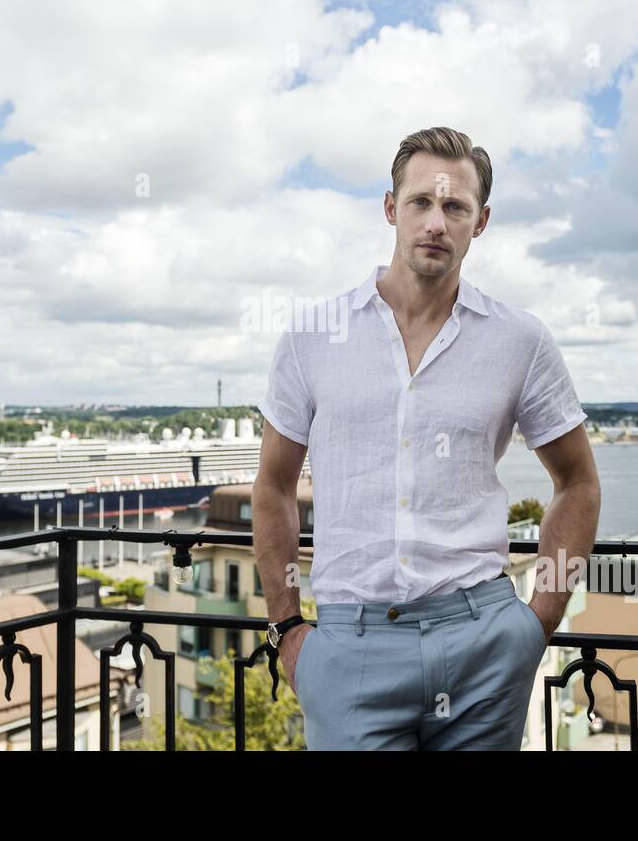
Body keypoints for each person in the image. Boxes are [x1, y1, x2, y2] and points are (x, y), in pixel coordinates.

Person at [253, 125, 600, 750]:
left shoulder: (521, 340)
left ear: (481, 221)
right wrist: (286, 628)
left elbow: (577, 482)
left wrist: (537, 622)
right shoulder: (313, 336)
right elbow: (273, 487)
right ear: (391, 209)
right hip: (350, 651)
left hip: (484, 647)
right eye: (421, 202)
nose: (436, 222)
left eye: (455, 207)